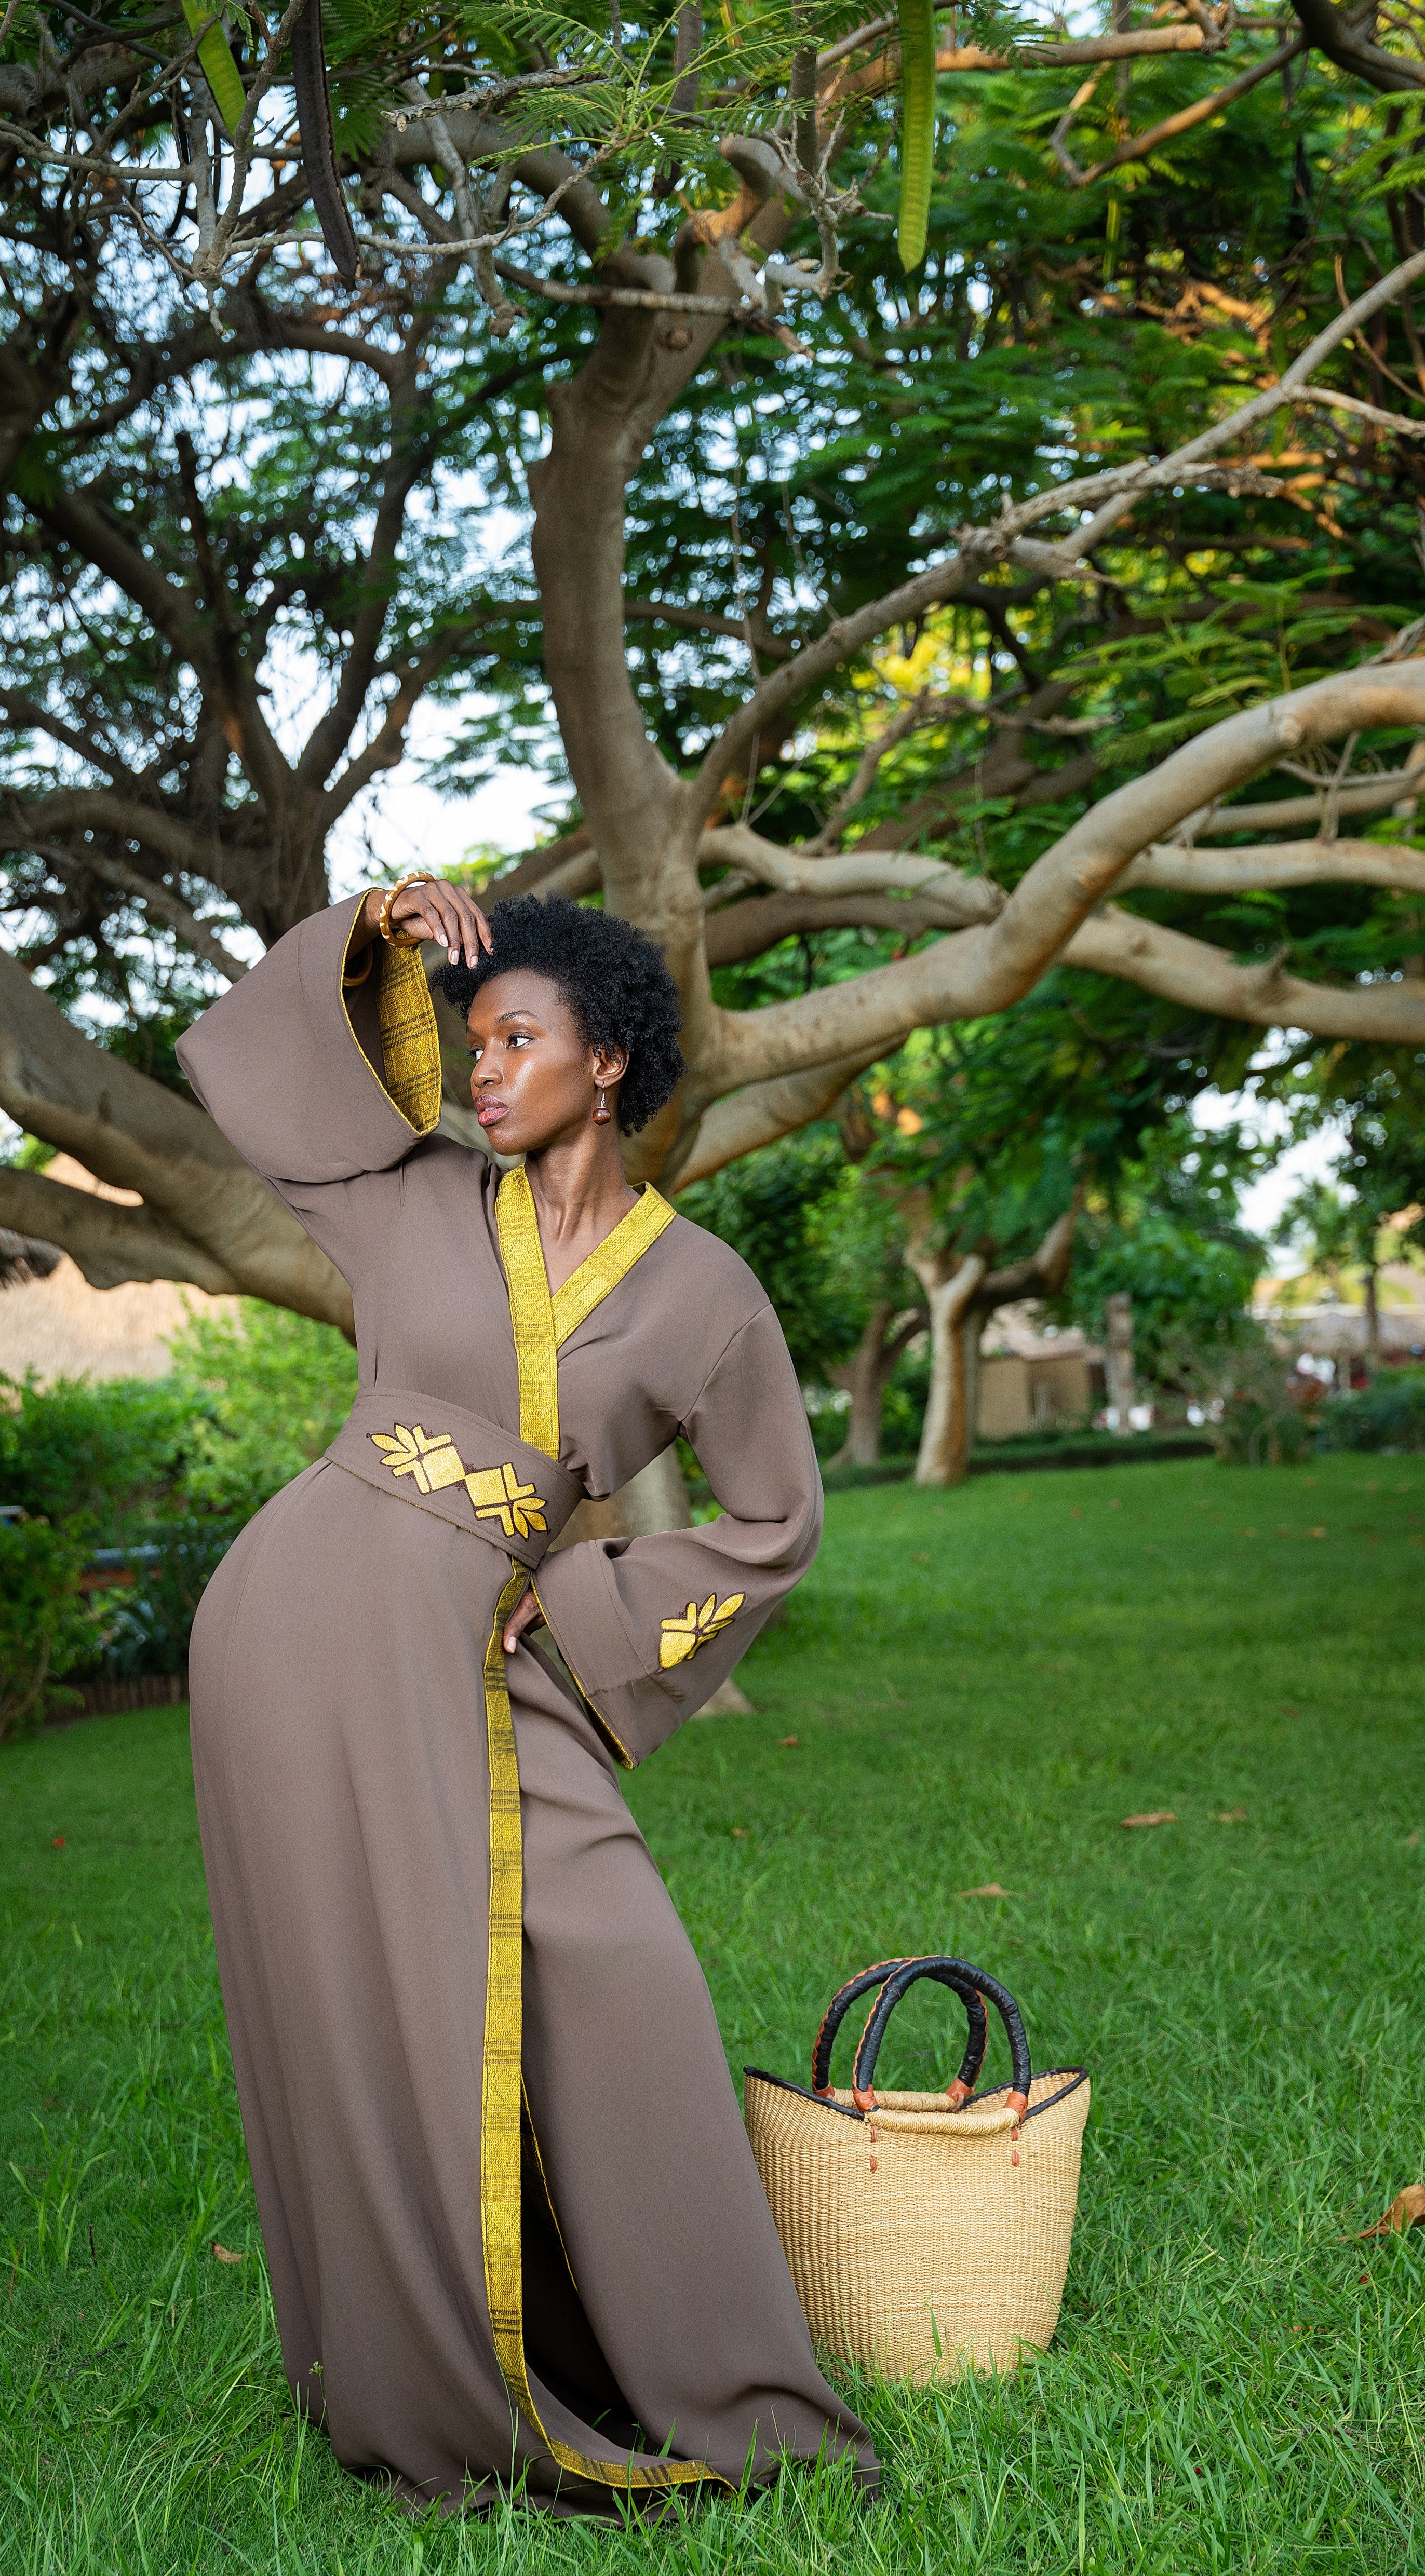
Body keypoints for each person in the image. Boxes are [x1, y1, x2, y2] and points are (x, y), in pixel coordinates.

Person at [176, 876, 875, 2515]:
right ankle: (431, 2380)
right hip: (300, 1627)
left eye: (512, 1040)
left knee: (621, 1965)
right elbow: (272, 1070)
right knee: (374, 1995)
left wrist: (580, 1608)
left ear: (609, 1060)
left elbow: (774, 1524)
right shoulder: (403, 1197)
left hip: (502, 1639)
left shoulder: (707, 1293)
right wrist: (373, 933)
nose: (477, 1073)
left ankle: (734, 2397)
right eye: (470, 1042)